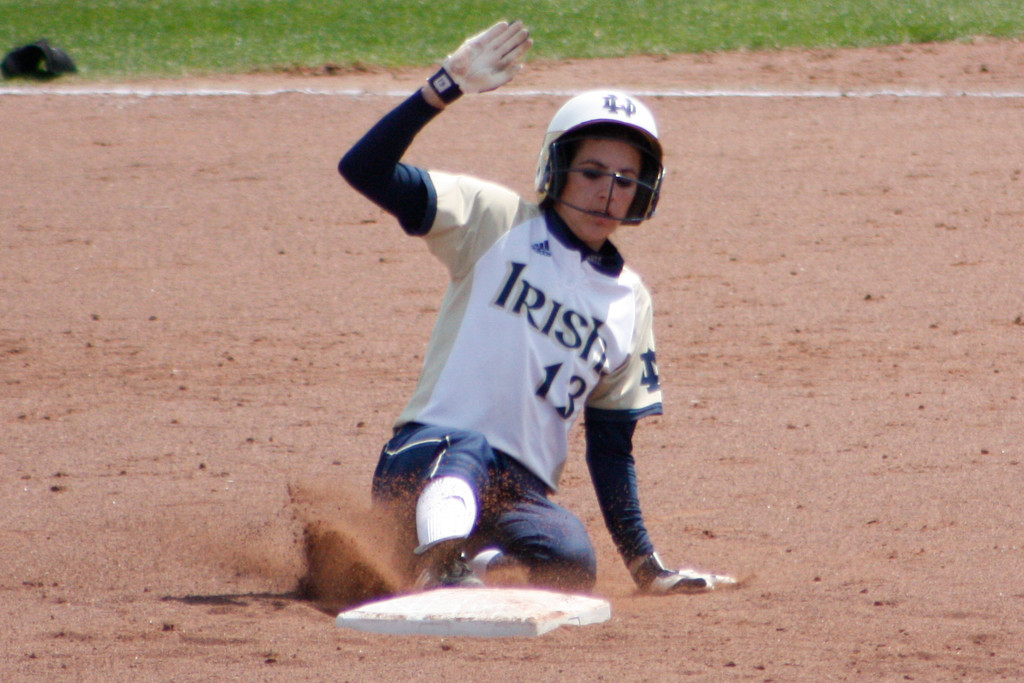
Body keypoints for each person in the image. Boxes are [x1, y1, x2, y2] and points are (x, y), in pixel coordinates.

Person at [339, 20, 735, 595]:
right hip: (425, 460)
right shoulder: (493, 220)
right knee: (466, 446)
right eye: (593, 172)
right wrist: (443, 87)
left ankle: (472, 563)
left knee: (572, 559)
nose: (608, 192)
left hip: (515, 496)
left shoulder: (629, 300)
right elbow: (363, 170)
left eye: (626, 180)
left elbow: (611, 446)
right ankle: (439, 562)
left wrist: (646, 567)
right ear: (557, 169)